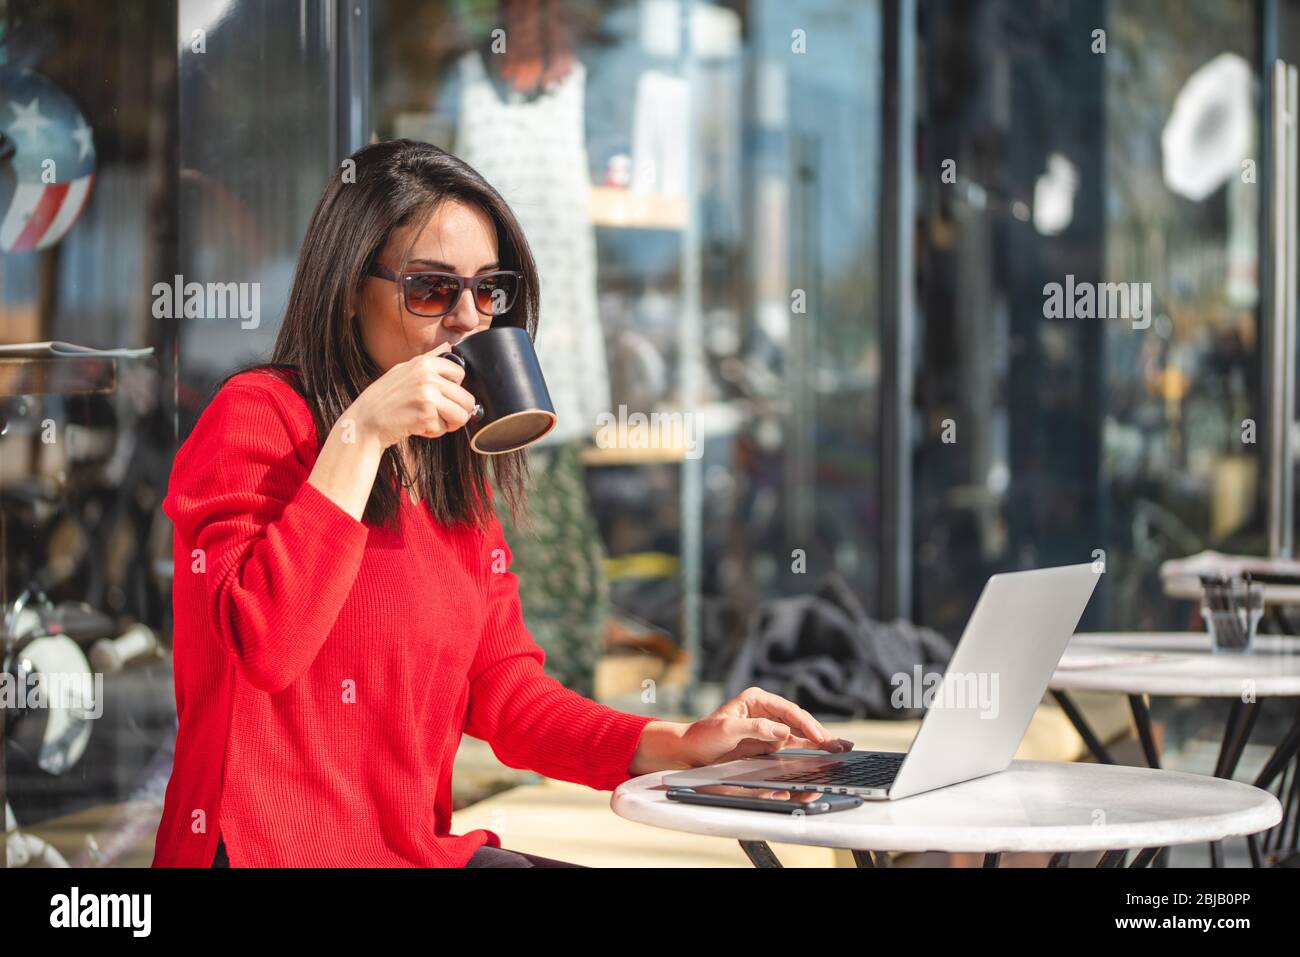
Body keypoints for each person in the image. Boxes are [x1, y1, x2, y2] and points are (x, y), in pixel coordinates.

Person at [153, 139, 851, 867]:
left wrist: (674, 742)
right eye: (430, 288)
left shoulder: (451, 468)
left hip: (416, 854)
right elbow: (265, 647)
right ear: (350, 288)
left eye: (488, 291)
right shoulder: (259, 417)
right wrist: (359, 435)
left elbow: (508, 691)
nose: (466, 318)